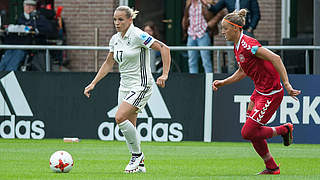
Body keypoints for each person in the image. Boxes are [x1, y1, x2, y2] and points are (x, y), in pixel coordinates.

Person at [83, 6, 171, 173]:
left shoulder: (138, 35)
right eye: (115, 19)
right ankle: (140, 163)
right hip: (124, 86)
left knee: (119, 117)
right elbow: (109, 63)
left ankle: (136, 156)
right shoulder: (115, 39)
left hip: (141, 85)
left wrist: (164, 74)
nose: (117, 23)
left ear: (130, 20)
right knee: (129, 125)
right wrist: (93, 83)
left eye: (121, 19)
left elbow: (164, 48)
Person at [212, 9, 301, 175]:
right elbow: (242, 71)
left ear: (236, 28)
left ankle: (285, 129)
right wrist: (223, 82)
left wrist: (287, 84)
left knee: (248, 132)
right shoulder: (237, 47)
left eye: (225, 28)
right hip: (259, 92)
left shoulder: (248, 45)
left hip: (271, 93)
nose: (222, 32)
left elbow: (276, 58)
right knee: (252, 133)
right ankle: (272, 167)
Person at [201, 0, 260, 73]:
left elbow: (256, 14)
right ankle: (232, 82)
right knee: (232, 60)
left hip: (245, 31)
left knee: (247, 59)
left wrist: (251, 28)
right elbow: (215, 9)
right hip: (232, 32)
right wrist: (207, 5)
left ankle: (249, 80)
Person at [0, 0, 54, 71]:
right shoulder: (20, 18)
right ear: (24, 7)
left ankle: (10, 75)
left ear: (35, 7)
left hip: (28, 47)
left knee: (13, 64)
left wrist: (34, 28)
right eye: (27, 5)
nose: (29, 7)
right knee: (5, 61)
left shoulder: (39, 18)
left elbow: (49, 29)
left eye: (31, 6)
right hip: (15, 45)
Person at [182, 0, 225, 74]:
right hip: (191, 34)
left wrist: (210, 24)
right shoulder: (189, 3)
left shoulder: (206, 2)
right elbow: (186, 17)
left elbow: (221, 12)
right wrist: (185, 26)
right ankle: (193, 81)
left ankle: (209, 82)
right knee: (192, 61)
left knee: (206, 61)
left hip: (203, 34)